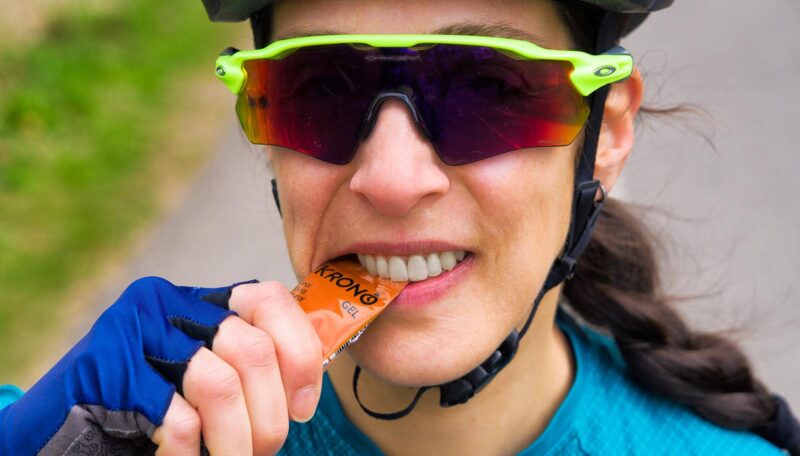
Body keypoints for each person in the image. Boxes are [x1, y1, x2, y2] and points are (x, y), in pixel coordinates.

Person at [1, 0, 799, 454]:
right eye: (319, 86)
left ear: (608, 132)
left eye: (489, 88)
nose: (391, 179)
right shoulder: (100, 428)